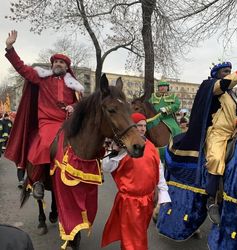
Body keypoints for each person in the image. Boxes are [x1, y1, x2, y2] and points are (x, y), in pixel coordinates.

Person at [4, 30, 84, 200]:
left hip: (67, 122)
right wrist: (10, 48)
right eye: (55, 62)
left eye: (61, 62)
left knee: (86, 141)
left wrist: (73, 107)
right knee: (46, 144)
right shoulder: (42, 78)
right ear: (52, 65)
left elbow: (80, 104)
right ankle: (38, 180)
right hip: (47, 121)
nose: (58, 64)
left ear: (66, 66)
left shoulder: (73, 85)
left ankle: (88, 173)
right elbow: (22, 68)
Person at [199, 56, 237, 224]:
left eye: (229, 72)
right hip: (217, 132)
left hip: (235, 132)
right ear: (217, 74)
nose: (228, 74)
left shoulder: (232, 95)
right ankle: (211, 200)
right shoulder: (215, 86)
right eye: (225, 72)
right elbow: (227, 82)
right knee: (216, 159)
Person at [101, 112, 171, 250]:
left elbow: (159, 170)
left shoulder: (151, 146)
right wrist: (114, 151)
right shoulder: (124, 148)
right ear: (132, 126)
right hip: (130, 202)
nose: (143, 128)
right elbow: (106, 167)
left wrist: (163, 194)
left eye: (144, 125)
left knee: (137, 235)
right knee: (134, 239)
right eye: (139, 125)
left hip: (148, 201)